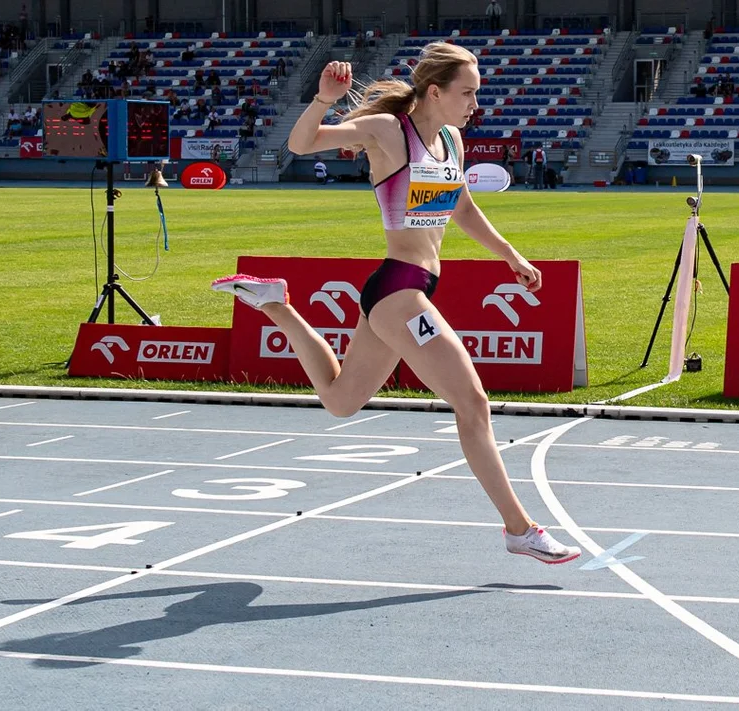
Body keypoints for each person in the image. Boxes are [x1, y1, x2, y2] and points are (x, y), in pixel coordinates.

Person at [210, 44, 581, 564]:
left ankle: (277, 305)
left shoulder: (451, 139)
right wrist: (322, 99)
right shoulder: (388, 132)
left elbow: (462, 206)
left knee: (341, 401)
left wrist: (510, 255)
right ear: (435, 92)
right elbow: (301, 143)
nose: (476, 102)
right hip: (399, 292)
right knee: (472, 403)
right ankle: (520, 529)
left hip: (409, 290)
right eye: (467, 92)